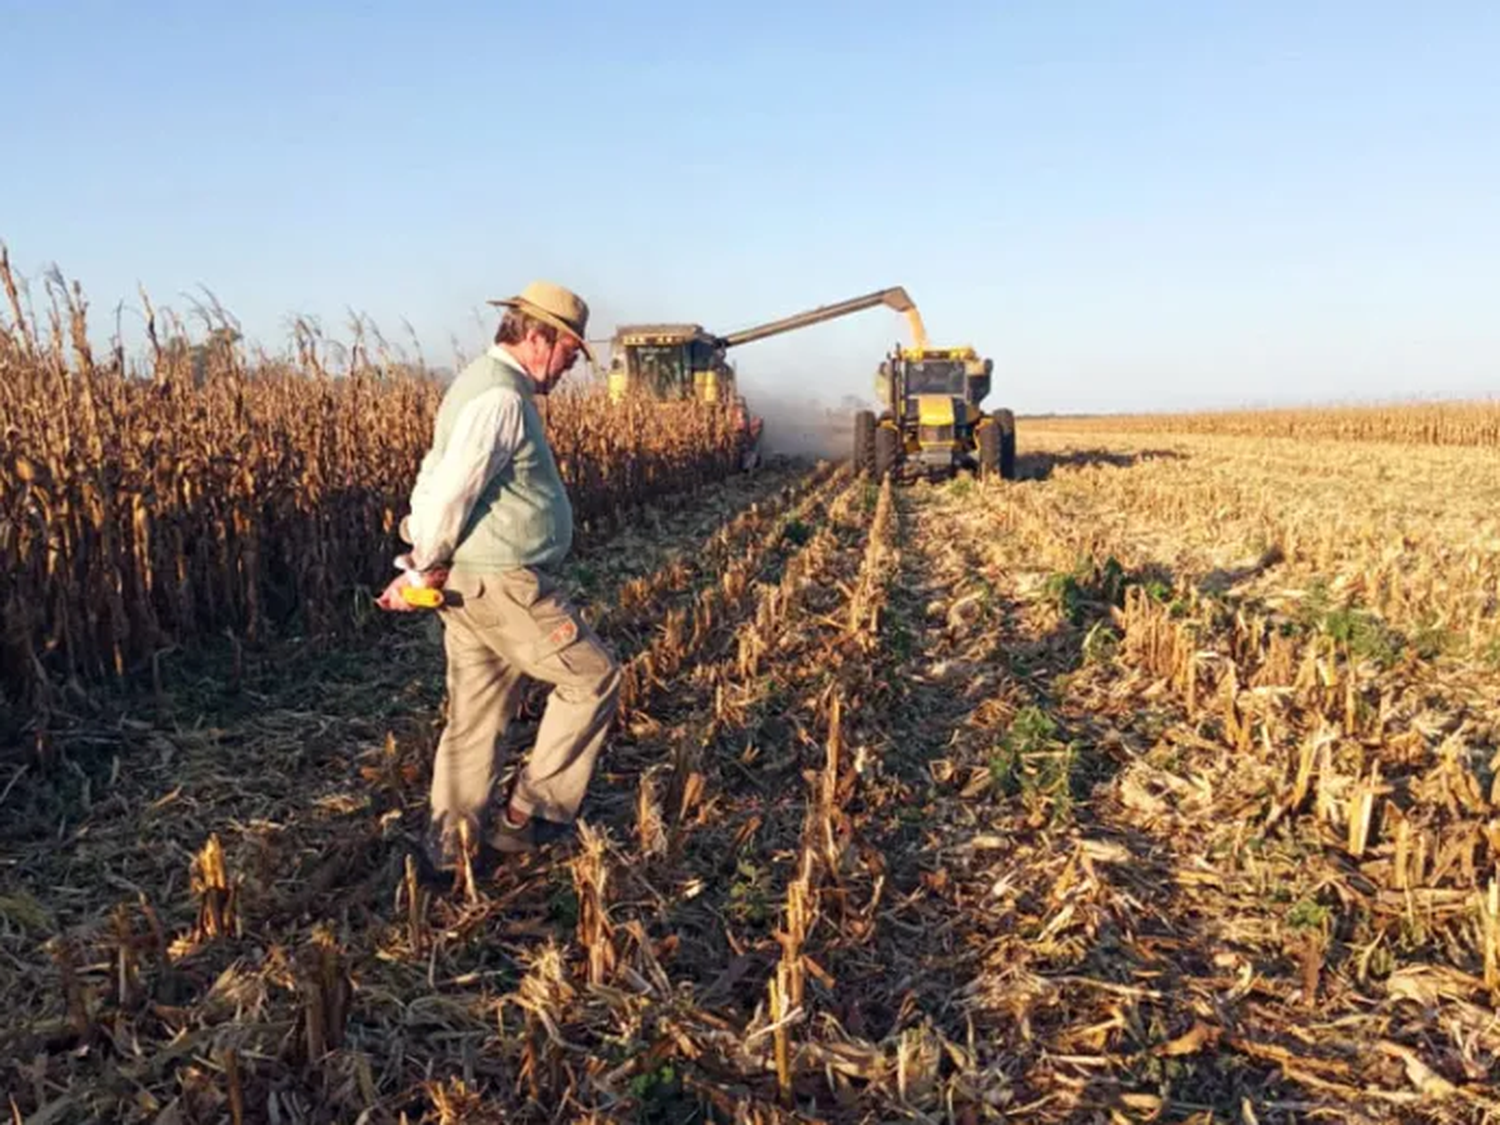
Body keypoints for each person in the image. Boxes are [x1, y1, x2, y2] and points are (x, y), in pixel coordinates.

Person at [378, 281, 622, 875]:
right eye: (569, 352)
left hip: (471, 586)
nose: (570, 366)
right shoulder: (502, 400)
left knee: (477, 719)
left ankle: (448, 854)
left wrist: (420, 564)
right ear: (538, 337)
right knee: (593, 679)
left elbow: (430, 480)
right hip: (502, 584)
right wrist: (425, 561)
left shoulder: (476, 387)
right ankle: (529, 816)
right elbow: (454, 490)